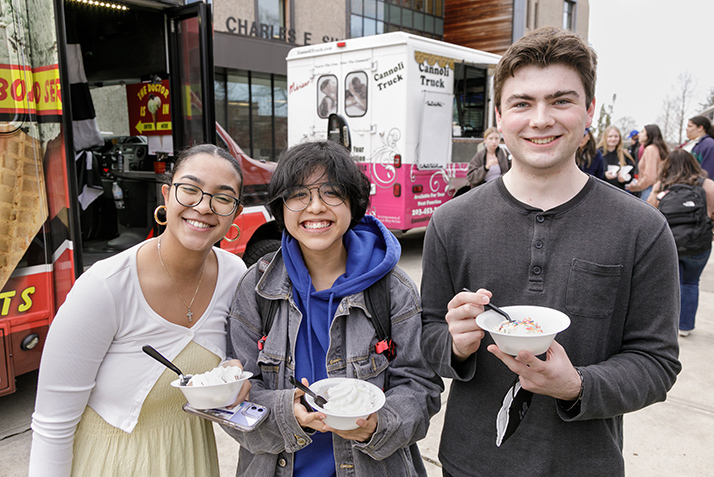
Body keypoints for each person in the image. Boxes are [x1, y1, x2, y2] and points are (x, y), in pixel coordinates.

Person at [420, 27, 681, 476]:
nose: (541, 119)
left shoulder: (643, 228)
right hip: (469, 463)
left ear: (588, 111)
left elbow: (656, 363)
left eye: (561, 100)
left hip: (585, 465)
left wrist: (577, 385)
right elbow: (426, 334)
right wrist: (455, 345)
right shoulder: (451, 222)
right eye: (522, 103)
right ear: (500, 116)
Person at [29, 144, 250, 476]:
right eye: (190, 189)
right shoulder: (106, 285)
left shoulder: (234, 275)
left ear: (235, 212)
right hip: (114, 462)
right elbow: (52, 425)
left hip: (194, 460)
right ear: (166, 195)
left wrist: (234, 373)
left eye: (222, 197)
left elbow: (237, 354)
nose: (203, 206)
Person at [224, 141, 442, 476]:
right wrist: (285, 412)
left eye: (331, 193)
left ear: (353, 203)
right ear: (281, 207)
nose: (315, 207)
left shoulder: (392, 289)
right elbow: (233, 398)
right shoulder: (257, 288)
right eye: (299, 194)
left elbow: (420, 387)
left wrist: (377, 425)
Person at [647, 149, 714, 337]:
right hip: (699, 243)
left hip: (670, 242)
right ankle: (685, 327)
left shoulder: (661, 185)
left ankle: (668, 326)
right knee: (691, 283)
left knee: (670, 286)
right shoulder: (707, 185)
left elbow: (650, 212)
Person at [626, 124, 669, 200]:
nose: (639, 134)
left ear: (649, 136)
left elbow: (650, 177)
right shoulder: (657, 148)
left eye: (642, 132)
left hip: (649, 190)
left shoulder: (650, 149)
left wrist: (636, 187)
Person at [598, 125, 637, 190]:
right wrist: (604, 175)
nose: (613, 139)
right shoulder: (597, 153)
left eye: (616, 136)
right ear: (605, 137)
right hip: (600, 191)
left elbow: (631, 173)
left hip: (618, 192)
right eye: (610, 136)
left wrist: (625, 179)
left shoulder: (624, 154)